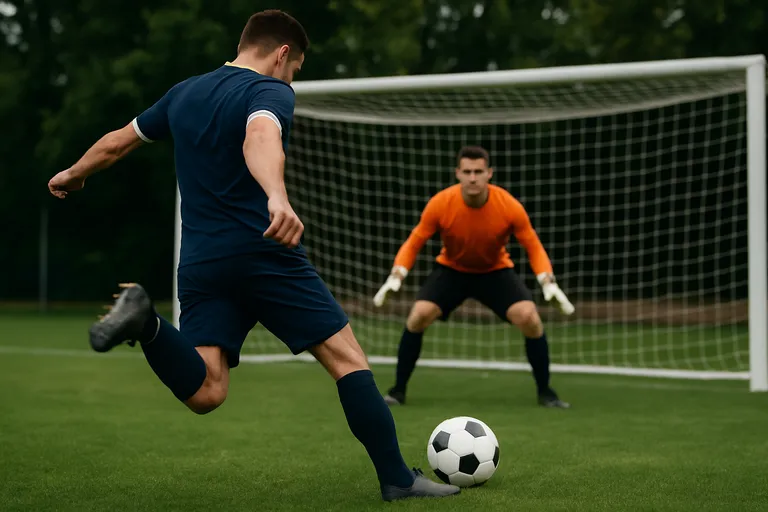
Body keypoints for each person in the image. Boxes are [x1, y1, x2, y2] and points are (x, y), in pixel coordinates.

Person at [47, 9, 459, 502]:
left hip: (201, 263)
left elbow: (117, 143)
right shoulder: (269, 91)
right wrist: (277, 196)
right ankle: (396, 478)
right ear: (283, 53)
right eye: (295, 68)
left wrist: (74, 173)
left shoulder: (184, 92)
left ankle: (148, 323)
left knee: (207, 391)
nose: (292, 78)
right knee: (347, 359)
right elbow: (260, 136)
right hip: (263, 252)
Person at [373, 145, 574, 408]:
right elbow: (415, 241)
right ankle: (397, 391)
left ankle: (546, 392)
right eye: (467, 171)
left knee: (530, 318)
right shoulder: (441, 203)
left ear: (489, 173)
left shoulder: (509, 206)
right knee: (418, 315)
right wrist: (396, 276)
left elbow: (533, 245)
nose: (472, 177)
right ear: (458, 173)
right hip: (452, 270)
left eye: (478, 171)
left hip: (494, 271)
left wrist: (548, 281)